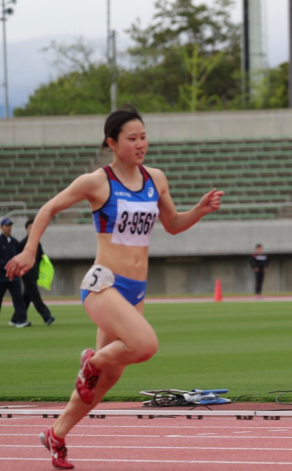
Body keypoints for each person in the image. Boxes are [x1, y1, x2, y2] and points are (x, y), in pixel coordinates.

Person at [5, 105, 223, 469]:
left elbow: (172, 225)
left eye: (144, 137)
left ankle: (56, 435)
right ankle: (90, 360)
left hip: (135, 291)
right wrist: (29, 250)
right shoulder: (97, 181)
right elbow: (47, 209)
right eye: (132, 138)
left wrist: (199, 210)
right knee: (145, 345)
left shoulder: (156, 179)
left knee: (107, 380)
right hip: (103, 285)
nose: (141, 144)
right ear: (112, 142)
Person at [19, 217, 55, 326]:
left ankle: (17, 317)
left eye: (34, 227)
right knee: (35, 296)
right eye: (30, 227)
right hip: (26, 274)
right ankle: (47, 317)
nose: (32, 229)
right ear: (26, 229)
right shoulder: (22, 244)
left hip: (34, 273)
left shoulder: (37, 243)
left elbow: (41, 258)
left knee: (27, 297)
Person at [1, 217, 30, 328]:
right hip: (1, 277)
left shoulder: (14, 242)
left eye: (10, 226)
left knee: (18, 298)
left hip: (14, 277)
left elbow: (20, 256)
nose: (9, 228)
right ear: (1, 227)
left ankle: (20, 320)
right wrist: (6, 265)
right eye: (6, 226)